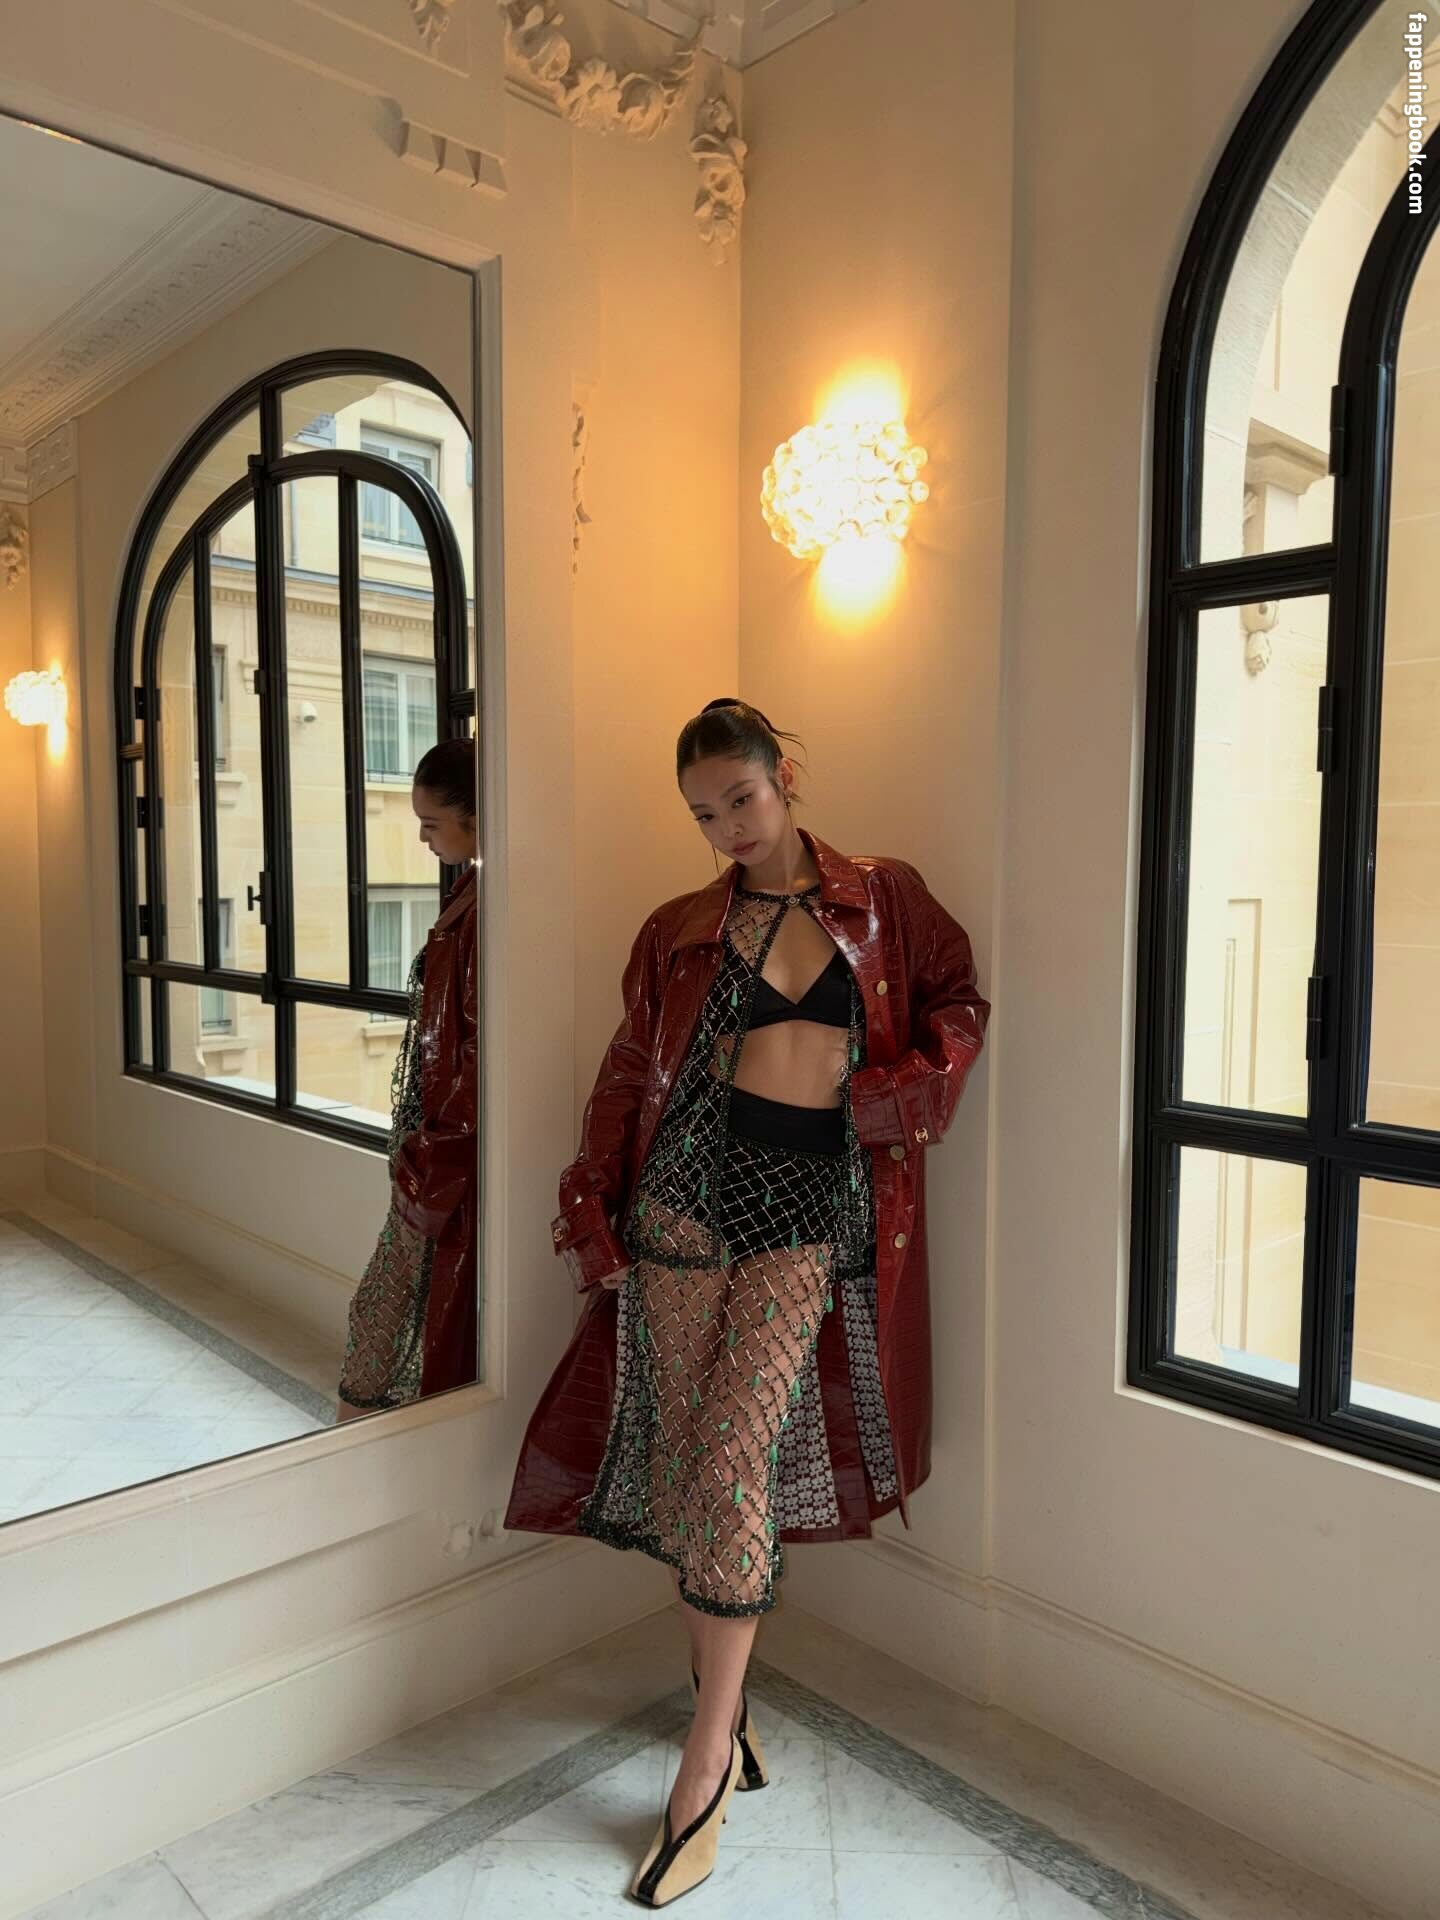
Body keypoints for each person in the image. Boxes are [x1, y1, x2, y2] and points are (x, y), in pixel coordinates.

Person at [503, 698, 990, 1906]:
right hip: (682, 1205)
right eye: (704, 813)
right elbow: (632, 1069)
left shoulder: (885, 900)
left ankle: (706, 1758)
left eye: (742, 797)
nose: (728, 826)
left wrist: (891, 1100)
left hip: (807, 1217)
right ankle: (726, 1712)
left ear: (787, 777)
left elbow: (958, 1006)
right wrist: (588, 1206)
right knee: (687, 1463)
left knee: (730, 1460)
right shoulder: (677, 928)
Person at [335, 735, 479, 1421]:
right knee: (398, 1298)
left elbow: (479, 1042)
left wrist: (438, 1137)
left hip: (449, 1139)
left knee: (396, 1298)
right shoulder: (474, 893)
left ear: (475, 818)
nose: (423, 838)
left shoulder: (490, 905)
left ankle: (362, 1426)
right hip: (438, 1132)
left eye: (431, 823)